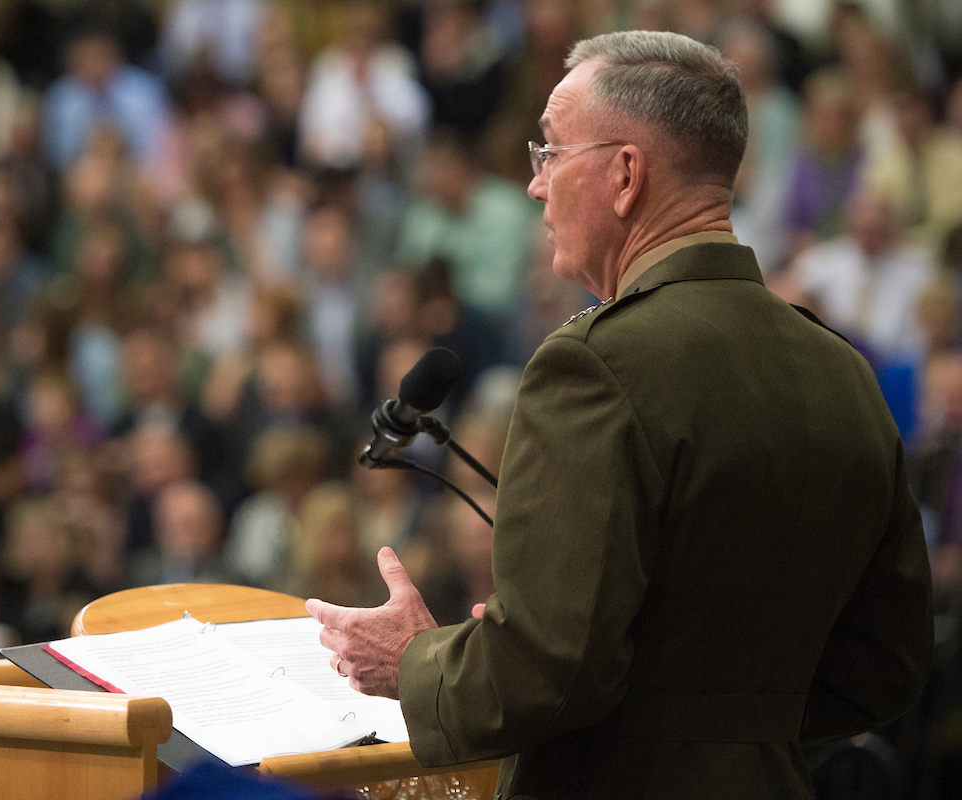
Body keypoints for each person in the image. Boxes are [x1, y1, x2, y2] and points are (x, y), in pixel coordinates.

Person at [306, 31, 933, 799]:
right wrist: (732, 728)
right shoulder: (843, 372)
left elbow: (547, 669)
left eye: (552, 155)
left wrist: (413, 661)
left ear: (625, 174)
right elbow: (889, 665)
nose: (535, 186)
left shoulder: (596, 365)